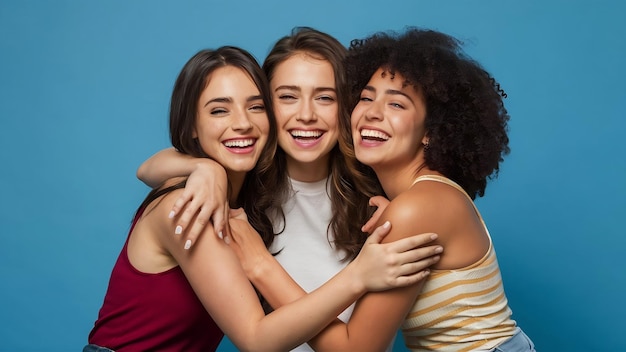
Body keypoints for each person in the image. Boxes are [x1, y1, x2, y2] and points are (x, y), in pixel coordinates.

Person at [84, 46, 440, 352]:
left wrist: (208, 170)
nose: (241, 123)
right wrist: (359, 276)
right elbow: (256, 339)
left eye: (255, 107)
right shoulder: (191, 204)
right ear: (192, 125)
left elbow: (149, 167)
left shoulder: (244, 192)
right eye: (219, 110)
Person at [341, 28, 536, 351]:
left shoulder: (418, 207)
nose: (372, 113)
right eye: (366, 97)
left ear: (429, 132)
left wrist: (261, 266)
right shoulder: (422, 198)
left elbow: (354, 348)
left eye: (397, 105)